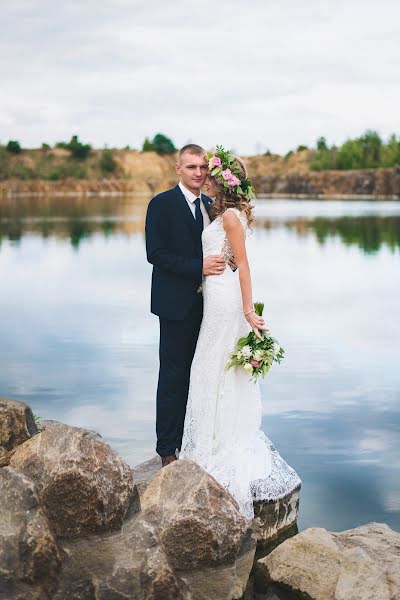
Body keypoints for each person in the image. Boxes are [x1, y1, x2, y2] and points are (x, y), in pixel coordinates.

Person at [179, 147, 301, 519]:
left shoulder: (230, 216)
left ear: (222, 180)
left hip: (226, 299)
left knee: (211, 365)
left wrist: (249, 310)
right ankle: (211, 439)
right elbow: (228, 258)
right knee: (210, 366)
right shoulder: (224, 213)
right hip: (214, 295)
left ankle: (217, 445)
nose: (204, 178)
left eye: (210, 173)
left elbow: (244, 267)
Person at [145, 144, 226, 467]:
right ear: (178, 168)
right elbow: (156, 254)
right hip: (175, 305)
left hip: (210, 305)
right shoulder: (161, 204)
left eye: (203, 167)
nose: (198, 173)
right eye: (191, 167)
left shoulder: (211, 206)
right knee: (174, 376)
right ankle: (167, 449)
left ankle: (195, 441)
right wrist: (198, 267)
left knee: (203, 375)